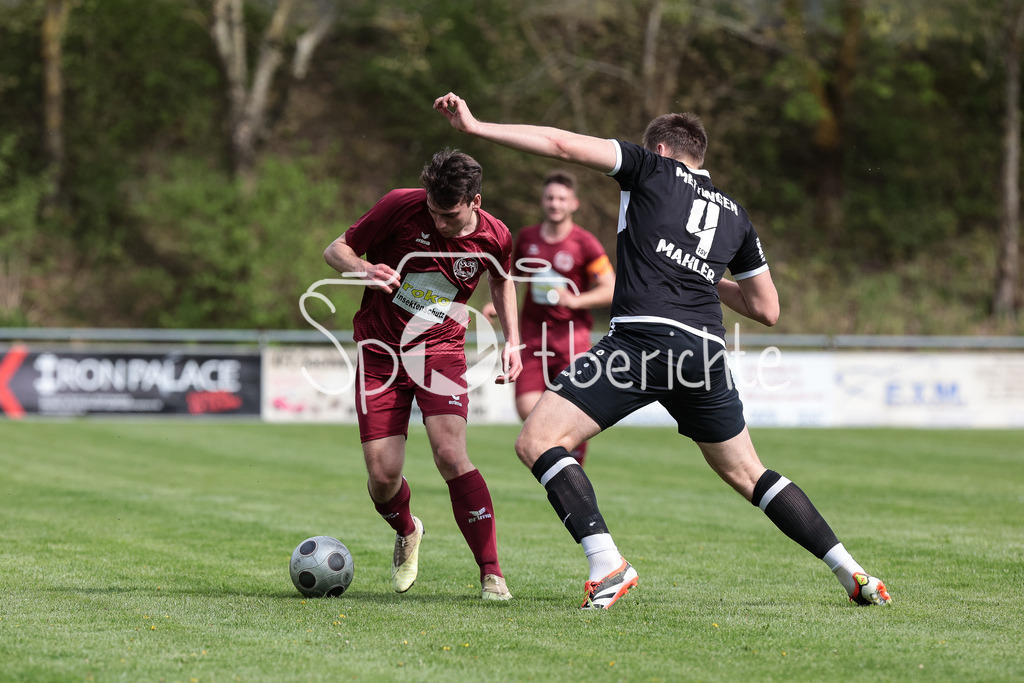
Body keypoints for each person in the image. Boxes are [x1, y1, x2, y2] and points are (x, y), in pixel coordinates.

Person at [434, 92, 892, 610]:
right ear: (700, 157)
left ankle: (608, 563)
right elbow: (767, 310)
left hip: (643, 341)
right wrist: (702, 271)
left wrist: (476, 127)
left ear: (660, 147)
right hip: (705, 352)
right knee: (750, 472)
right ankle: (851, 570)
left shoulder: (649, 167)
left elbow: (561, 144)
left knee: (537, 442)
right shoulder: (736, 216)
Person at [323, 148, 522, 600]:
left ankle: (492, 573)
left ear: (475, 201)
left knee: (450, 454)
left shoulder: (495, 236)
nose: (438, 223)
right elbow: (336, 249)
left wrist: (513, 340)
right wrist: (362, 269)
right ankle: (408, 529)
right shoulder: (400, 204)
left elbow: (502, 279)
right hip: (380, 351)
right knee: (383, 475)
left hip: (441, 351)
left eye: (448, 216)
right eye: (432, 212)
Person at [482, 170, 615, 466]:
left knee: (573, 409)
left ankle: (571, 464)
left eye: (561, 199)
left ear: (574, 204)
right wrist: (497, 306)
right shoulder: (528, 238)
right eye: (550, 198)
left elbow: (611, 288)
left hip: (571, 338)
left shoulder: (585, 243)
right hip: (531, 336)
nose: (555, 204)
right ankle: (561, 451)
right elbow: (511, 278)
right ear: (543, 201)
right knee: (526, 408)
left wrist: (576, 300)